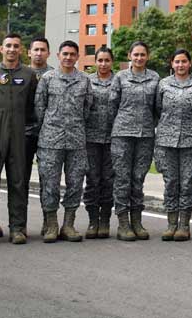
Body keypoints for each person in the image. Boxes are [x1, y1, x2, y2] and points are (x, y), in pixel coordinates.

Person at [0, 34, 38, 246]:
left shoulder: (29, 75)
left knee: (19, 181)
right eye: (8, 46)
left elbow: (31, 106)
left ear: (21, 50)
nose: (12, 49)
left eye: (16, 46)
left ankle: (18, 228)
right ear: (1, 49)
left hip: (19, 133)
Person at [35, 40, 93, 243]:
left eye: (72, 54)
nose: (68, 57)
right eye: (65, 54)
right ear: (58, 56)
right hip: (50, 140)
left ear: (77, 57)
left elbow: (87, 109)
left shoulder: (85, 80)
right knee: (50, 184)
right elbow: (39, 109)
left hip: (76, 141)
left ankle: (68, 224)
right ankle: (51, 224)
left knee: (75, 183)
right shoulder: (47, 79)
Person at [108, 41, 160, 242]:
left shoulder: (155, 77)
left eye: (142, 55)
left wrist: (148, 124)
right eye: (135, 54)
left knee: (138, 179)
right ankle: (123, 223)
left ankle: (137, 221)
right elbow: (113, 105)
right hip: (122, 135)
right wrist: (120, 125)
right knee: (122, 179)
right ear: (129, 55)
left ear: (148, 56)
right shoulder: (120, 77)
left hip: (145, 135)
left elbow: (158, 107)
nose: (139, 58)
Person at [156, 48, 192, 241]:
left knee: (187, 183)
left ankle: (184, 225)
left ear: (189, 63)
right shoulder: (163, 84)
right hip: (166, 141)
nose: (180, 65)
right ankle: (171, 224)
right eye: (177, 62)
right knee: (170, 182)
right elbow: (158, 109)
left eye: (184, 61)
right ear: (172, 64)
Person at [84, 47, 115, 239]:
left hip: (113, 138)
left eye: (107, 60)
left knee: (109, 180)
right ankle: (92, 220)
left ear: (112, 62)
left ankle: (104, 221)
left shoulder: (119, 81)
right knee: (92, 180)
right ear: (95, 62)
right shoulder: (87, 81)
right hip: (91, 138)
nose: (103, 64)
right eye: (100, 60)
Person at [23, 36, 53, 186]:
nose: (39, 53)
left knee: (47, 179)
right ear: (29, 52)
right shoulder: (20, 74)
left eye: (43, 50)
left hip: (48, 134)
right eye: (36, 50)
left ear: (49, 53)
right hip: (25, 132)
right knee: (21, 176)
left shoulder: (55, 75)